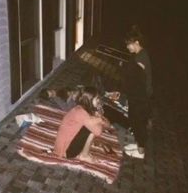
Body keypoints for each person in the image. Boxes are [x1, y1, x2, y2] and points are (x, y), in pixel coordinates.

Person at [115, 25, 153, 159]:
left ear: (137, 42)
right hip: (136, 95)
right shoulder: (138, 55)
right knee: (134, 119)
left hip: (140, 96)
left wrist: (124, 69)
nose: (127, 47)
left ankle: (141, 152)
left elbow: (135, 77)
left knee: (139, 122)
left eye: (129, 44)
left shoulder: (141, 58)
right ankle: (138, 145)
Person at [53, 87, 111, 163]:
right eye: (96, 98)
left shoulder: (81, 108)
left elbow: (107, 125)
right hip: (65, 152)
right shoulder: (81, 113)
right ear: (89, 100)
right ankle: (84, 155)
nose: (98, 101)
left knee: (91, 125)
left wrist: (100, 119)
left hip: (63, 147)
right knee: (91, 130)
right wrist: (100, 119)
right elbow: (98, 131)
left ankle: (82, 152)